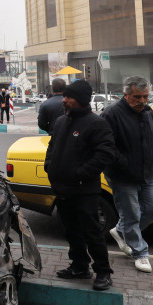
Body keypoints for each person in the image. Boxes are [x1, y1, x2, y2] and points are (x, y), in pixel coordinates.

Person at [45, 80, 117, 291]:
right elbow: (52, 147)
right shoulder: (60, 122)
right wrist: (50, 167)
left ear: (82, 101)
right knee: (71, 231)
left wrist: (80, 174)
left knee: (92, 232)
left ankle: (103, 271)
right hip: (62, 189)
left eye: (70, 97)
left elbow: (105, 154)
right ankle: (79, 266)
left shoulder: (97, 124)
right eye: (65, 96)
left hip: (84, 190)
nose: (64, 100)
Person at [100, 75, 153, 274]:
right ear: (125, 94)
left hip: (146, 174)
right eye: (138, 97)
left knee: (152, 209)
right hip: (122, 176)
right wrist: (124, 164)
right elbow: (106, 146)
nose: (142, 101)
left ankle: (121, 231)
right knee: (131, 214)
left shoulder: (148, 112)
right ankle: (140, 253)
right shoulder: (111, 114)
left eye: (145, 96)